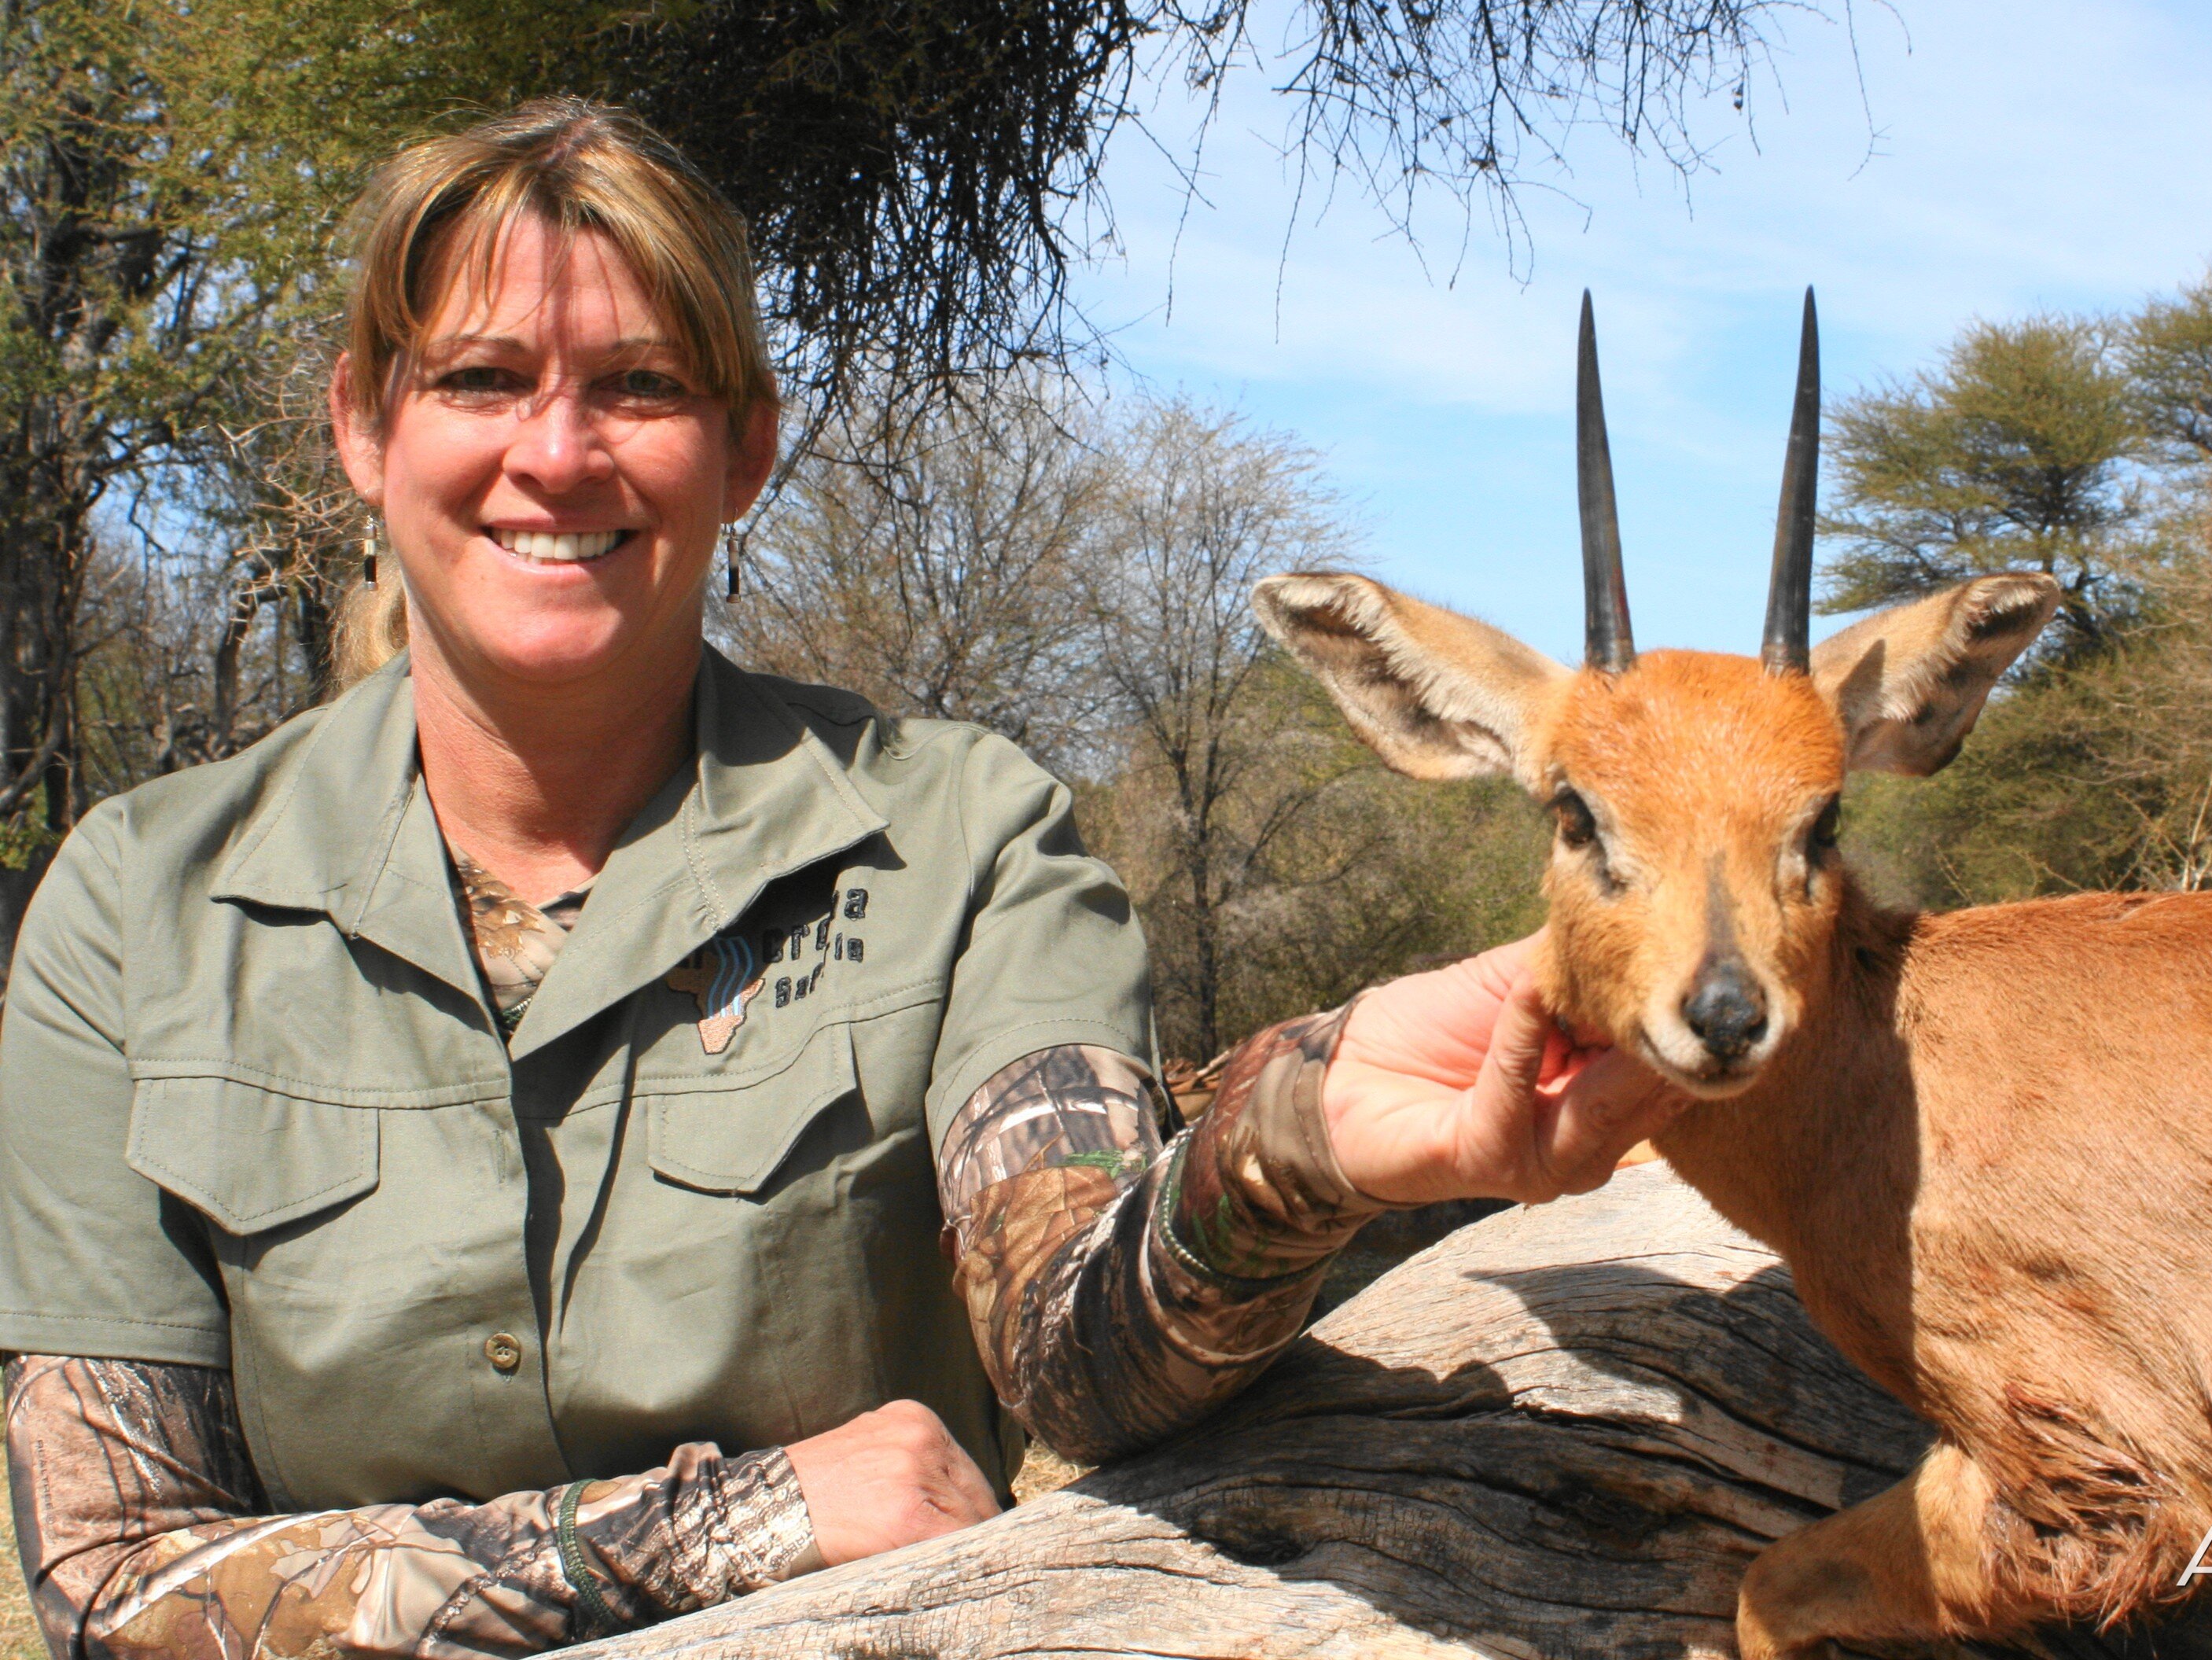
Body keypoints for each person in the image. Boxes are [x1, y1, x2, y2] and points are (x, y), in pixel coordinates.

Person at [0, 98, 1684, 1658]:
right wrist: (723, 1527)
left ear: (746, 451)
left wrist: (1301, 1147)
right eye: (483, 379)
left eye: (641, 389)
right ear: (365, 429)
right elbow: (108, 1573)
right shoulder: (139, 903)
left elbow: (1079, 1347)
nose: (560, 452)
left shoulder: (962, 837)